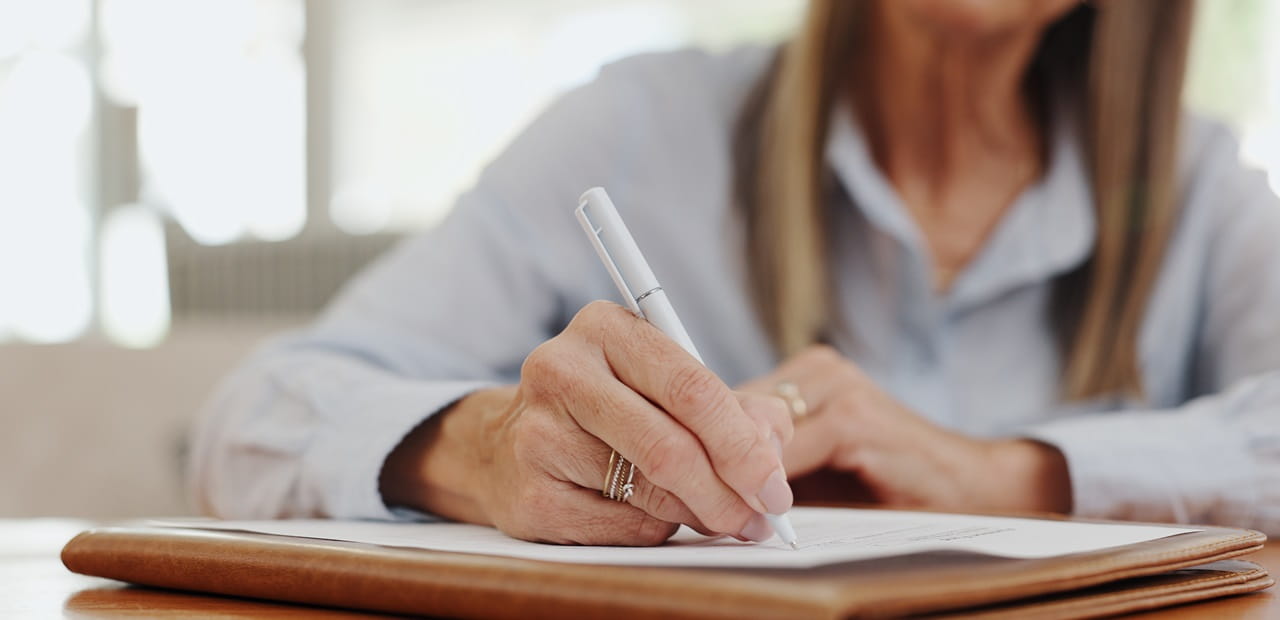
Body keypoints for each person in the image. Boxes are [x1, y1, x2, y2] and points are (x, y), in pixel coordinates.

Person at [190, 0, 1280, 544]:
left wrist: (1007, 475)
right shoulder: (631, 134)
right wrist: (481, 448)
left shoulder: (1202, 193)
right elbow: (251, 415)